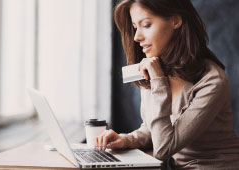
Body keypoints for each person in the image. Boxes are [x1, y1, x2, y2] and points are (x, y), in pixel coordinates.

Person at [95, 0, 239, 169]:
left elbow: (164, 148)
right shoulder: (155, 68)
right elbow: (154, 129)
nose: (136, 37)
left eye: (146, 25)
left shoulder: (212, 81)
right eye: (135, 27)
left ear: (175, 21)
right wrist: (126, 139)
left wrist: (158, 81)